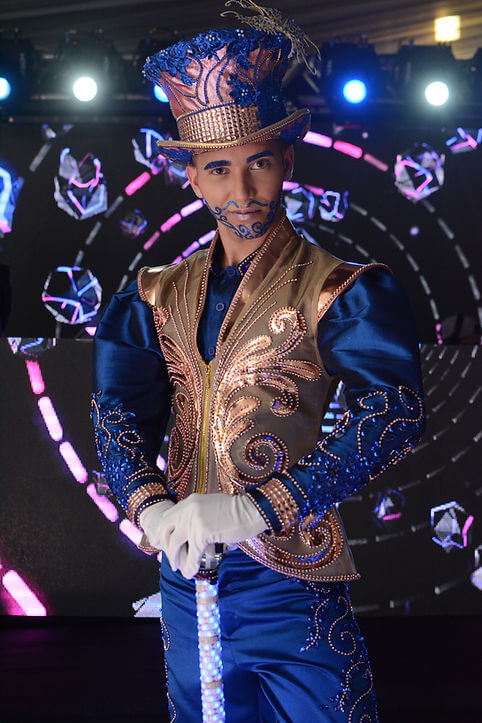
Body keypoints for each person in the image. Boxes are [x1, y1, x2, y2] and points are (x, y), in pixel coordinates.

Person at [91, 5, 425, 721]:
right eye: (219, 169)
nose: (241, 193)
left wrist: (257, 507)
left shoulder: (342, 289)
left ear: (288, 162)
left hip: (292, 584)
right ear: (191, 177)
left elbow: (393, 414)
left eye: (259, 164)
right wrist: (152, 509)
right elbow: (118, 418)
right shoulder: (151, 297)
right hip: (187, 583)